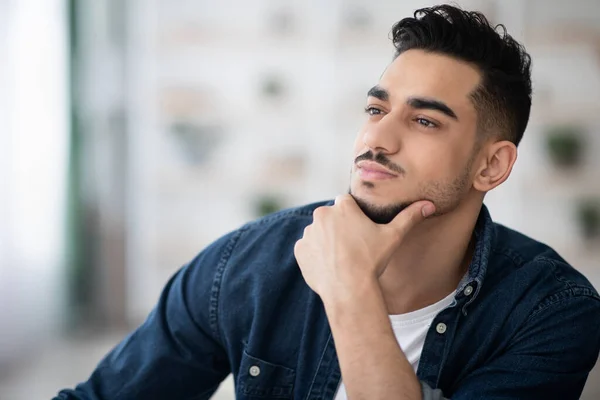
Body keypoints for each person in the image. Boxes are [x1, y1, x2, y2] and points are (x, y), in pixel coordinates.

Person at [55, 4, 600, 400]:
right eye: (375, 109)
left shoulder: (551, 311)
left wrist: (350, 289)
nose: (376, 140)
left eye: (425, 120)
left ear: (492, 165)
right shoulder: (247, 265)